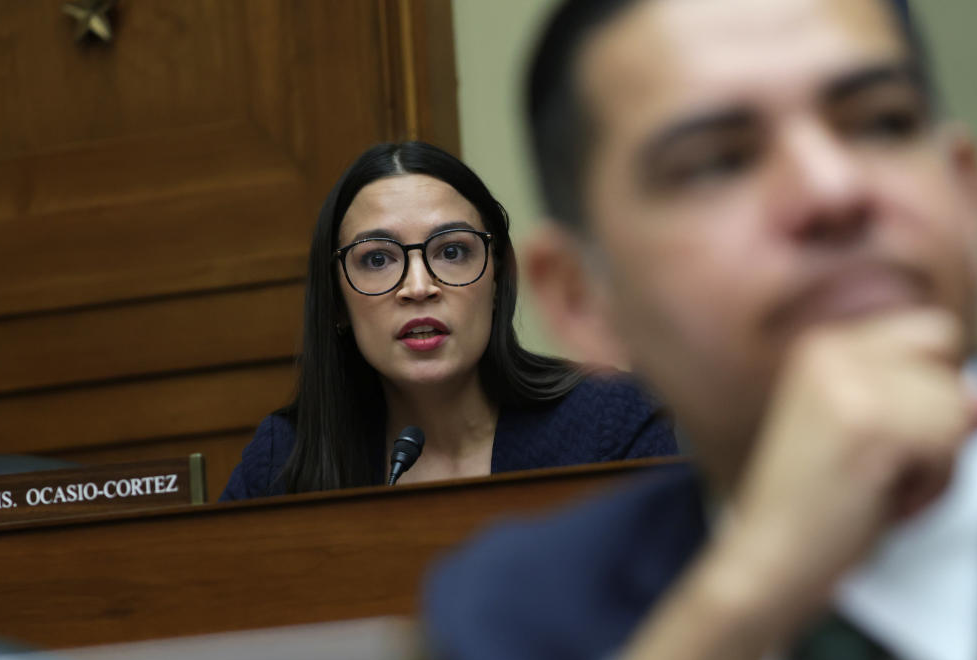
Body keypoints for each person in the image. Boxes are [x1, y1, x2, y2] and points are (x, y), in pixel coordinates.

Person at [425, 0, 977, 660]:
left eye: (881, 123)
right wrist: (741, 598)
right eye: (718, 162)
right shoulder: (513, 624)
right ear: (584, 299)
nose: (833, 190)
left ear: (967, 194)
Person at [219, 141, 676, 500]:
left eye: (452, 252)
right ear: (337, 300)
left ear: (497, 276)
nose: (418, 287)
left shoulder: (612, 425)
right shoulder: (285, 458)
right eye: (377, 258)